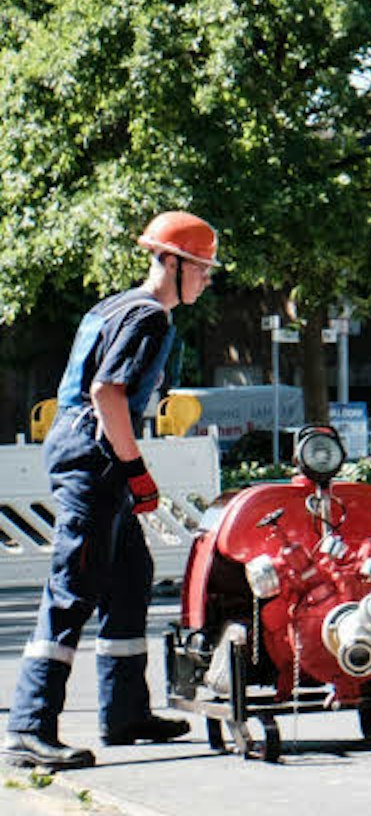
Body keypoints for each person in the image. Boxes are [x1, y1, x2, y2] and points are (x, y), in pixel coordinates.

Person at [4, 212, 217, 770]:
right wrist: (135, 469)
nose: (206, 278)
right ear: (170, 262)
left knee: (129, 577)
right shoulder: (148, 318)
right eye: (200, 267)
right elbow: (107, 393)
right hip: (93, 458)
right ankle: (27, 728)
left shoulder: (115, 307)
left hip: (87, 454)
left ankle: (124, 713)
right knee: (73, 588)